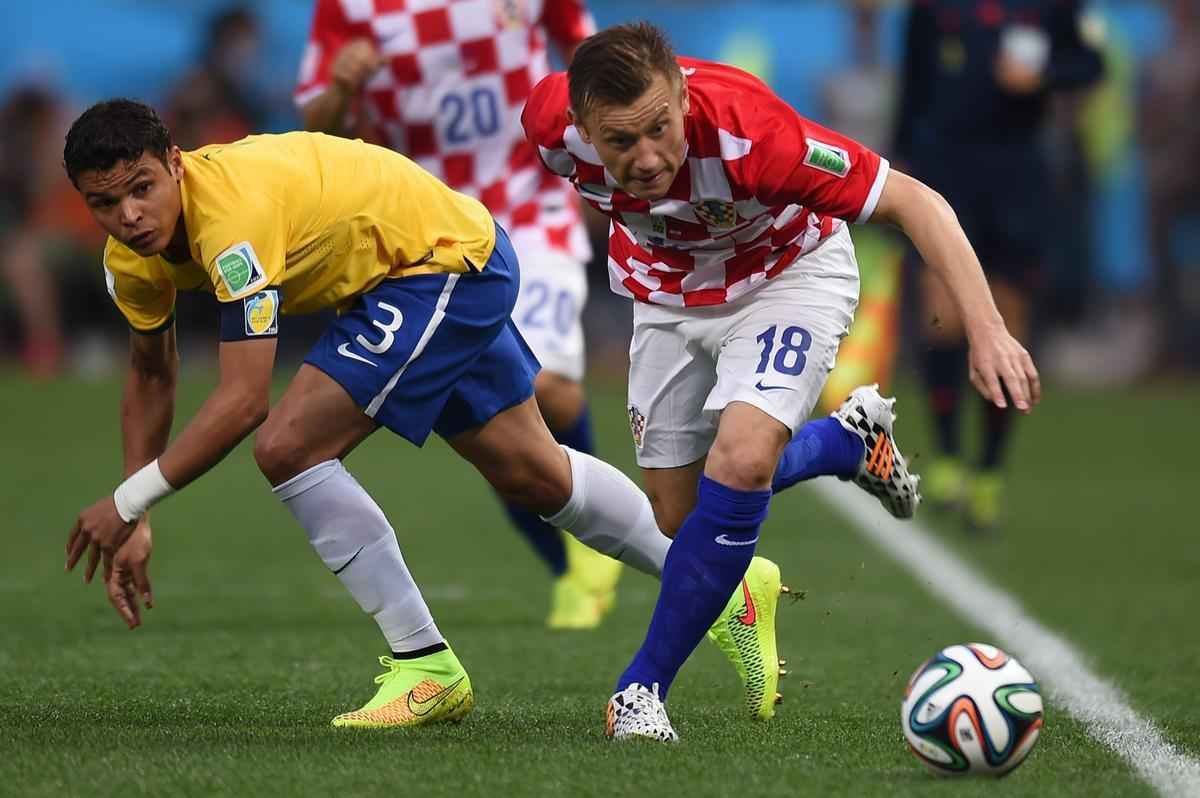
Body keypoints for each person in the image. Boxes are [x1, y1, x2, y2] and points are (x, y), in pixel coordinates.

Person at [59, 100, 783, 730]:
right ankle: (720, 579)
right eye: (104, 202)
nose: (129, 215)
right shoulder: (132, 260)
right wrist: (139, 516)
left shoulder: (230, 220)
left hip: (433, 267)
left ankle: (424, 663)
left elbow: (245, 399)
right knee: (534, 475)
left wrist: (127, 499)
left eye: (142, 188)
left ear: (176, 165)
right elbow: (152, 372)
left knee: (287, 446)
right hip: (422, 266)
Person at [523, 22, 1038, 741]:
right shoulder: (548, 124)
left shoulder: (753, 133)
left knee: (742, 460)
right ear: (580, 126)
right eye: (620, 142)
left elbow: (916, 202)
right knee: (680, 515)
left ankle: (640, 689)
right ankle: (845, 444)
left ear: (681, 94)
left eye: (659, 129)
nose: (645, 158)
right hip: (667, 297)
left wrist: (986, 330)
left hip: (788, 279)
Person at [294, 0, 620, 629]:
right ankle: (569, 565)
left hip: (531, 208)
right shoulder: (348, 8)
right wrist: (341, 84)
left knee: (549, 391)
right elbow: (316, 121)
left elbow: (594, 59)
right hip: (424, 229)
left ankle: (592, 542)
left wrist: (597, 154)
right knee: (489, 420)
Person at [893, 0, 1101, 530]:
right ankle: (946, 458)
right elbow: (913, 89)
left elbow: (1090, 65)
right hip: (947, 170)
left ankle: (988, 471)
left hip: (1017, 176)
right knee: (943, 316)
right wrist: (897, 173)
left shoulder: (1051, 7)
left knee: (1007, 320)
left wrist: (1044, 75)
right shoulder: (929, 9)